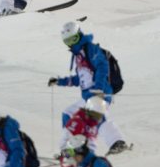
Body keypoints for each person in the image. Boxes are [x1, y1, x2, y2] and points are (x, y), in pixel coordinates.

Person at [49, 22, 127, 154]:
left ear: (79, 35)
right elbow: (80, 79)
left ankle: (117, 142)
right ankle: (73, 148)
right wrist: (60, 81)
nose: (71, 44)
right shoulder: (78, 56)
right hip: (88, 97)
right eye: (67, 41)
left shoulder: (90, 49)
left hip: (100, 93)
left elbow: (102, 67)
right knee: (68, 114)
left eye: (73, 39)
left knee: (97, 114)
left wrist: (99, 88)